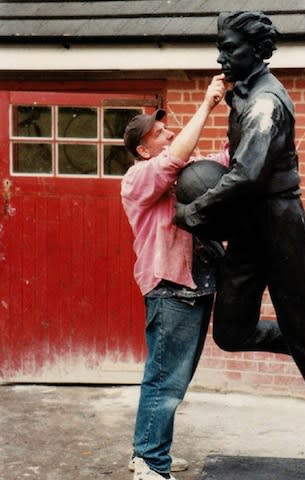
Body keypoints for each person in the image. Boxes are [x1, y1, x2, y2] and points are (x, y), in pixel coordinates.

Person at [174, 11, 305, 471]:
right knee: (231, 331)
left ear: (258, 51)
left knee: (301, 339)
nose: (221, 56)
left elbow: (247, 173)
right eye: (220, 47)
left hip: (282, 228)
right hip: (248, 229)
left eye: (230, 48)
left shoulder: (265, 103)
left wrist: (194, 212)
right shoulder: (240, 95)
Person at [121, 74, 227, 480]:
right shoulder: (137, 179)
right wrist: (207, 106)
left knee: (173, 381)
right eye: (160, 134)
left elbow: (221, 162)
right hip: (170, 289)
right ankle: (150, 461)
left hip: (196, 285)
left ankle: (147, 451)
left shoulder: (183, 173)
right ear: (142, 150)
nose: (168, 136)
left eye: (167, 130)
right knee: (165, 381)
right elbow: (173, 161)